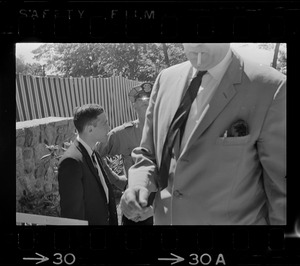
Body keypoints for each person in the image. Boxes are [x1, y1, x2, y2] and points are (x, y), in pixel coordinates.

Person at [120, 43, 286, 225]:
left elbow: (281, 190)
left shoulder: (271, 88)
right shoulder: (165, 79)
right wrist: (138, 184)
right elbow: (148, 153)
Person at [98, 82, 154, 225]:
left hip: (162, 202)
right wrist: (117, 180)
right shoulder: (122, 134)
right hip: (133, 202)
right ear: (133, 105)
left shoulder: (168, 133)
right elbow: (96, 154)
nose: (146, 101)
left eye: (151, 98)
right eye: (141, 99)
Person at [58, 104, 118, 225]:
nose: (109, 127)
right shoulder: (71, 162)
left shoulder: (92, 151)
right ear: (90, 129)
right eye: (105, 123)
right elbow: (73, 216)